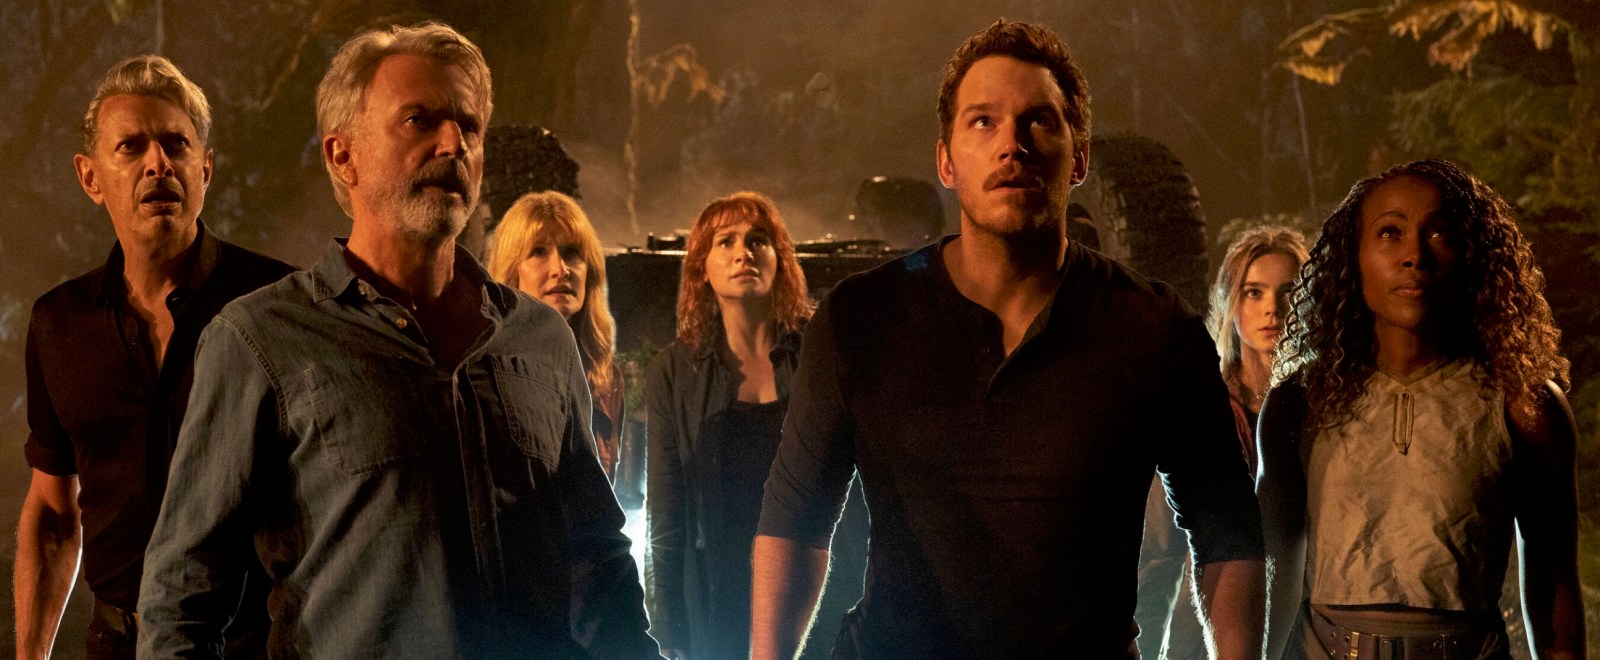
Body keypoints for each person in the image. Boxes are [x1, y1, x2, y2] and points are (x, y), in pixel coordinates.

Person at [136, 23, 659, 658]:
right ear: (342, 156)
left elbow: (599, 564)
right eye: (420, 121)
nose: (454, 144)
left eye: (470, 127)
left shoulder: (539, 337)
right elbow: (182, 601)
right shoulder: (261, 341)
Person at [750, 19, 1265, 659]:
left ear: (1079, 158)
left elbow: (1226, 532)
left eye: (1039, 121)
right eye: (983, 121)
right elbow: (796, 520)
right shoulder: (862, 319)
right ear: (946, 160)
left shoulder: (1152, 328)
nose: (1012, 145)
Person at [16, 55, 290, 660]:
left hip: (253, 644)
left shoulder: (280, 304)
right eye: (131, 146)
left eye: (176, 144)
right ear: (91, 178)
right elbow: (55, 515)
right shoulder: (59, 324)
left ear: (205, 168)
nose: (158, 163)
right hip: (116, 643)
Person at [1258, 159, 1583, 660]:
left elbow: (1554, 578)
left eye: (1439, 233)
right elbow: (1272, 566)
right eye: (1390, 232)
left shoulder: (1523, 404)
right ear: (1353, 255)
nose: (1414, 255)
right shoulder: (1300, 401)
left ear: (1471, 254)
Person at [644, 192, 865, 660]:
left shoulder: (821, 353)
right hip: (718, 595)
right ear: (701, 267)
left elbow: (864, 489)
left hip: (815, 592)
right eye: (725, 241)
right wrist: (668, 630)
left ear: (779, 259)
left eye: (758, 240)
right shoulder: (673, 372)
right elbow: (665, 515)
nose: (743, 252)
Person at [1138, 226, 1308, 659]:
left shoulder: (1326, 409)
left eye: (1288, 291)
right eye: (1254, 292)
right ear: (1232, 302)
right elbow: (1160, 547)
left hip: (1308, 627)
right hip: (1211, 627)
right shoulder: (1202, 408)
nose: (1272, 308)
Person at [487, 190, 625, 481]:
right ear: (512, 271)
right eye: (539, 252)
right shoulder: (488, 371)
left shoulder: (605, 377)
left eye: (572, 253)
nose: (561, 269)